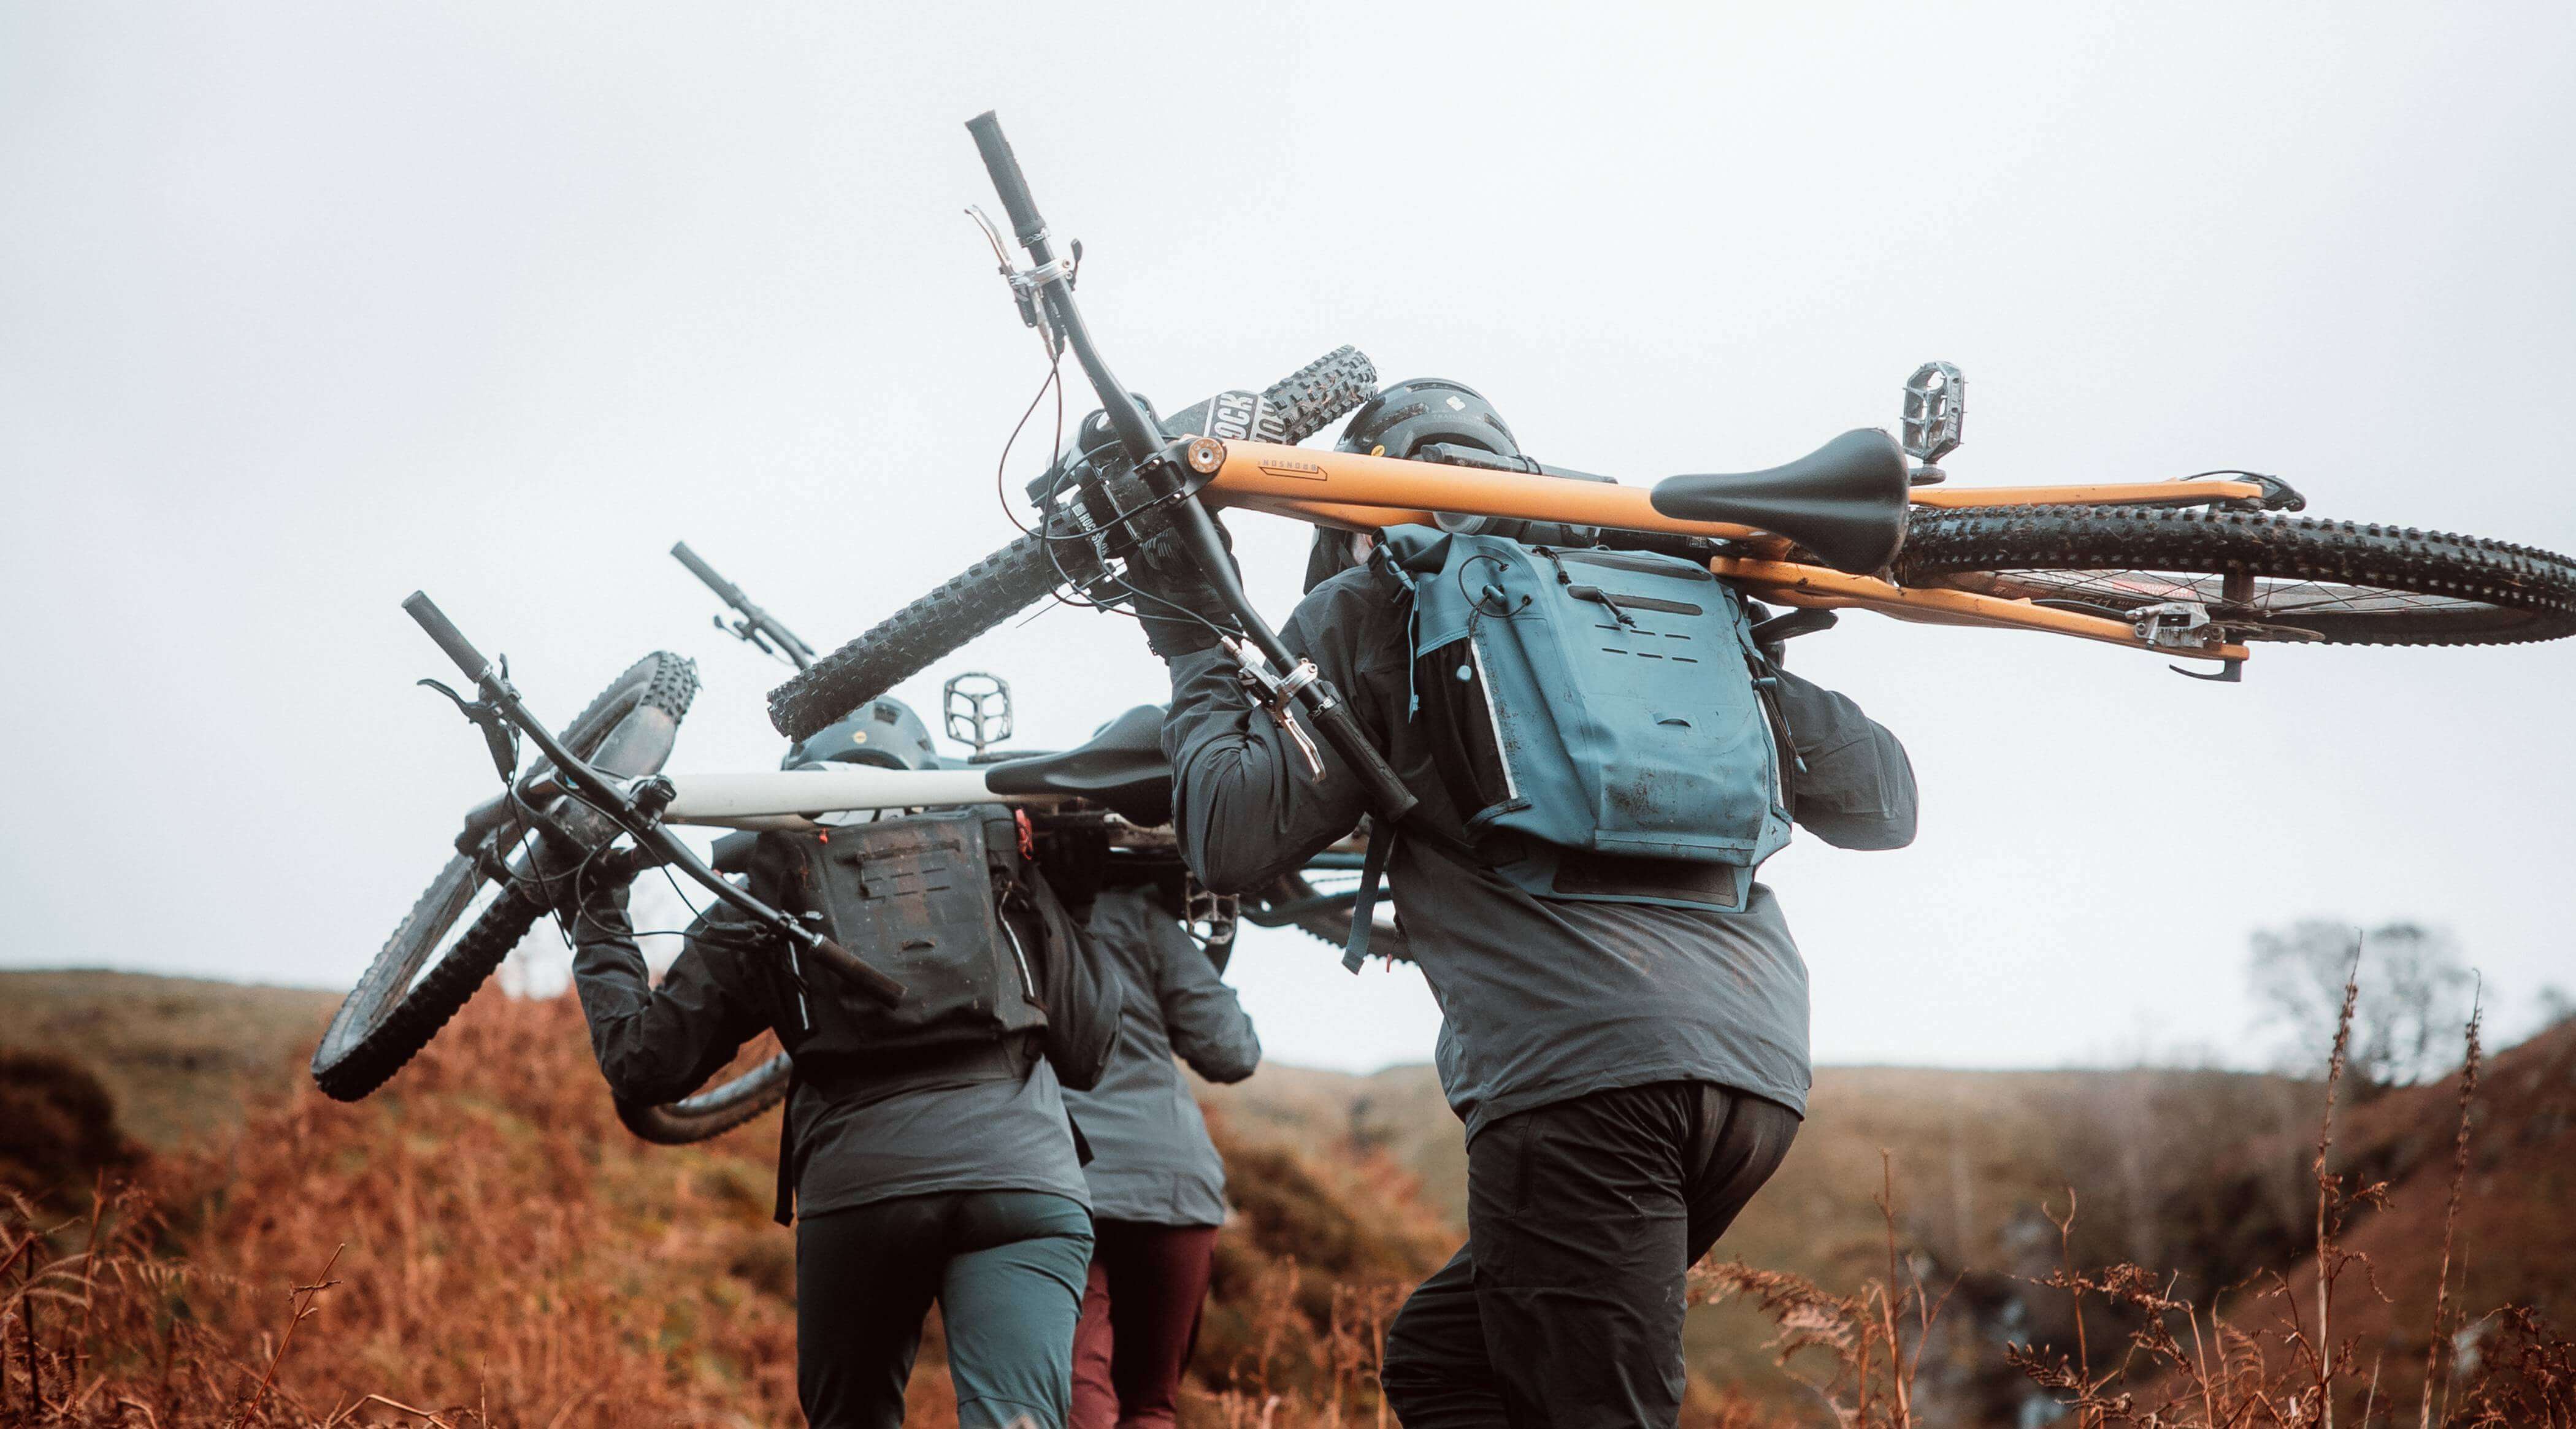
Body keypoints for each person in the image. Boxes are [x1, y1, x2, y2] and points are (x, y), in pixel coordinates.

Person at [1127, 380, 1920, 1425]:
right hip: (1755, 1075)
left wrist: (1194, 645)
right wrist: (1748, 664)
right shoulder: (1663, 588)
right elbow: (1884, 803)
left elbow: (1230, 834)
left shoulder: (1382, 603)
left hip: (1581, 1078)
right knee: (1447, 1359)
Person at [552, 697, 1120, 1429]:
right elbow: (1088, 1051)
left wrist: (597, 914)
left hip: (865, 1186)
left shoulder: (773, 883)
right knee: (1020, 1419)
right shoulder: (998, 859)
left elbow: (645, 1063)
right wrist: (1073, 907)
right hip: (1025, 1175)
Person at [1062, 883, 1262, 1429]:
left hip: (1057, 1178)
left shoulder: (994, 911)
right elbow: (1232, 1051)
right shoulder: (1137, 917)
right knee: (1150, 1404)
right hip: (1169, 1181)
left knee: (1076, 1385)